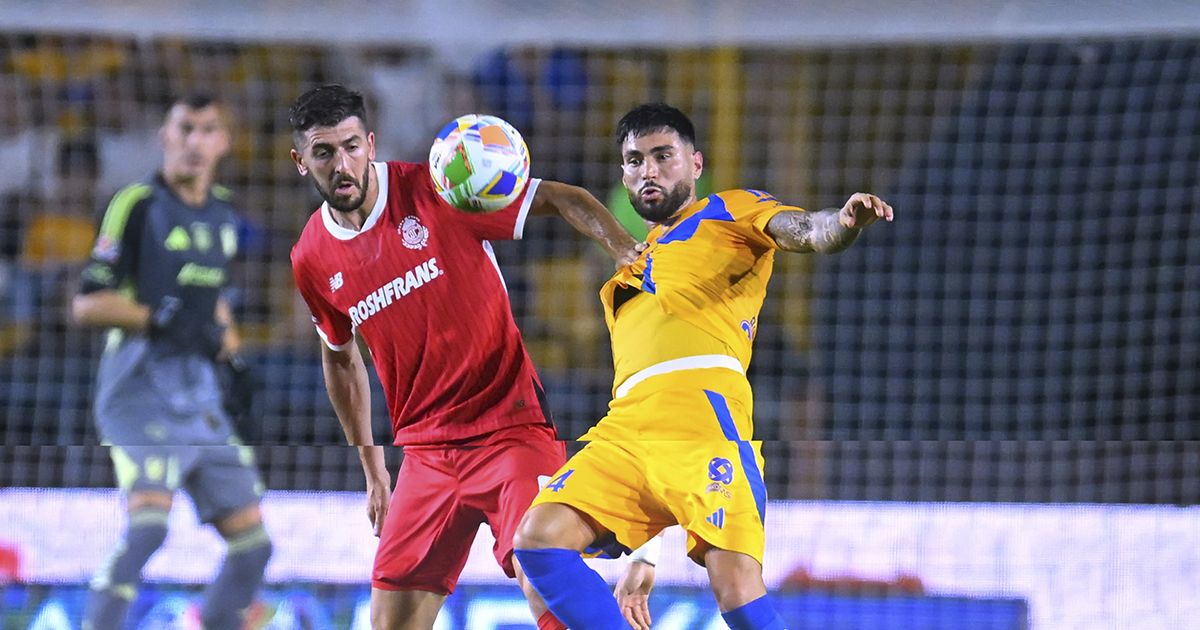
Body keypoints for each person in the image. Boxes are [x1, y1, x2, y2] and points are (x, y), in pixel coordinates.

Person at [513, 102, 894, 630]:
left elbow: (807, 229)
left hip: (704, 422)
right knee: (537, 541)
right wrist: (645, 554)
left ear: (695, 164)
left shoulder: (731, 210)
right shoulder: (629, 267)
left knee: (736, 591)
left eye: (662, 156)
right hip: (625, 429)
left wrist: (843, 223)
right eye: (635, 160)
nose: (648, 170)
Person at [286, 84, 642, 630]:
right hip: (425, 453)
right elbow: (339, 357)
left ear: (371, 144)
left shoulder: (441, 188)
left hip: (509, 430)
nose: (342, 165)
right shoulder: (311, 255)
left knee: (545, 577)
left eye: (351, 147)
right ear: (300, 161)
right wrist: (373, 468)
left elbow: (558, 196)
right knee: (390, 621)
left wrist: (621, 247)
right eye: (324, 152)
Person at [72, 94, 272, 630]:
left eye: (207, 130)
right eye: (184, 128)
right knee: (149, 528)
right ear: (165, 136)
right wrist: (157, 319)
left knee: (253, 547)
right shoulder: (137, 204)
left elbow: (213, 298)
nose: (194, 141)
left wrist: (233, 358)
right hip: (139, 389)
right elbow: (86, 304)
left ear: (224, 143)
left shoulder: (224, 213)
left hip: (198, 394)